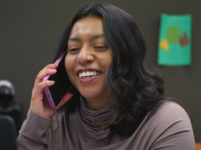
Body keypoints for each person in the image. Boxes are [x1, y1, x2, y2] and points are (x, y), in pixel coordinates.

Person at [16, 2, 195, 150]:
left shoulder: (165, 121)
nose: (83, 57)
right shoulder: (52, 123)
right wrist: (36, 124)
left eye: (100, 46)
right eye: (74, 49)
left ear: (127, 54)